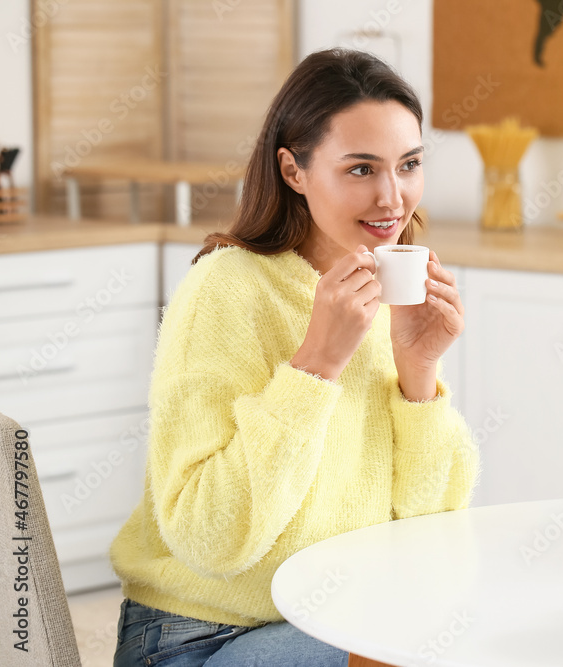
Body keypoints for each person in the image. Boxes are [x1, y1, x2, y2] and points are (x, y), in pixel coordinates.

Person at [111, 48, 479, 667]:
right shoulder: (225, 289)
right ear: (293, 170)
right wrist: (315, 366)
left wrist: (418, 377)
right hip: (199, 636)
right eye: (361, 169)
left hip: (337, 618)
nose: (393, 198)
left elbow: (430, 534)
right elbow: (209, 539)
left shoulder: (393, 290)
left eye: (409, 164)